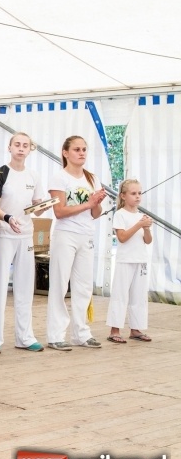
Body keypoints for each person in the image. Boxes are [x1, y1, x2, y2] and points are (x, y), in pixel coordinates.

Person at [0, 132, 46, 353]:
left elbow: (36, 204)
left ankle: (25, 337)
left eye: (25, 145)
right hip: (3, 234)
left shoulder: (34, 176)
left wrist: (43, 206)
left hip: (26, 235)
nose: (21, 148)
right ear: (9, 147)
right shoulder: (0, 173)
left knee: (25, 286)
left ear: (30, 149)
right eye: (17, 144)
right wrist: (8, 219)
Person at [46, 135, 107, 351]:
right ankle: (55, 334)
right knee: (60, 285)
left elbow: (95, 213)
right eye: (77, 149)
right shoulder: (59, 178)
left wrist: (96, 203)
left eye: (84, 149)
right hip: (65, 235)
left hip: (86, 235)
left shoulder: (92, 179)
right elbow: (60, 211)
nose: (81, 153)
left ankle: (81, 333)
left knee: (83, 286)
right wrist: (88, 203)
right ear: (65, 153)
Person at [106, 179, 153, 344]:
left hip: (140, 260)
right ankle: (114, 330)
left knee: (139, 296)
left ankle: (136, 329)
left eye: (139, 193)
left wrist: (146, 228)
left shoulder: (141, 216)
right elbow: (122, 237)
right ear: (123, 196)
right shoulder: (120, 214)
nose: (138, 196)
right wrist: (140, 225)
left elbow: (148, 241)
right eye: (133, 193)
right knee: (120, 295)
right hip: (125, 261)